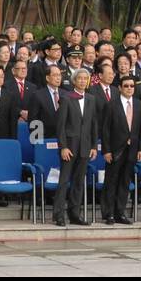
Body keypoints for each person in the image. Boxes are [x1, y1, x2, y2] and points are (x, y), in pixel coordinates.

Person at [53, 68, 100, 227]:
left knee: (79, 182)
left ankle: (74, 214)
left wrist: (94, 145)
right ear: (74, 80)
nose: (82, 81)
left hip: (85, 146)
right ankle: (58, 214)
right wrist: (63, 147)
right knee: (64, 181)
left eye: (85, 79)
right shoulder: (66, 98)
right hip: (70, 147)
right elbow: (60, 126)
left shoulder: (91, 99)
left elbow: (94, 124)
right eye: (79, 78)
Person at [101, 74, 141, 225]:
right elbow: (105, 130)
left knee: (125, 182)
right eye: (126, 86)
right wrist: (106, 151)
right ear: (119, 88)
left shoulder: (139, 104)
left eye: (132, 86)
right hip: (115, 150)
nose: (129, 88)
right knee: (111, 181)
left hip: (132, 149)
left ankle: (120, 212)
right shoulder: (111, 105)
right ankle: (109, 213)